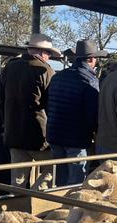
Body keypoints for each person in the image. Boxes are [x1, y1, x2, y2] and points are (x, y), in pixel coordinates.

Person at [0, 33, 60, 188]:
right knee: (52, 169)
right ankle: (37, 196)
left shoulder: (9, 67)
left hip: (14, 133)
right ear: (43, 53)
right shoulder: (46, 71)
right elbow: (51, 105)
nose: (49, 57)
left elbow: (0, 100)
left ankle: (15, 207)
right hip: (38, 135)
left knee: (17, 180)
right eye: (49, 54)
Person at [46, 40, 107, 186]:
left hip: (55, 133)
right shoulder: (89, 80)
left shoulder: (58, 76)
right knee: (76, 179)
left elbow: (48, 104)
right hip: (76, 138)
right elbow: (92, 113)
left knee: (60, 178)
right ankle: (71, 207)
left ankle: (59, 205)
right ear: (91, 59)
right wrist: (95, 132)